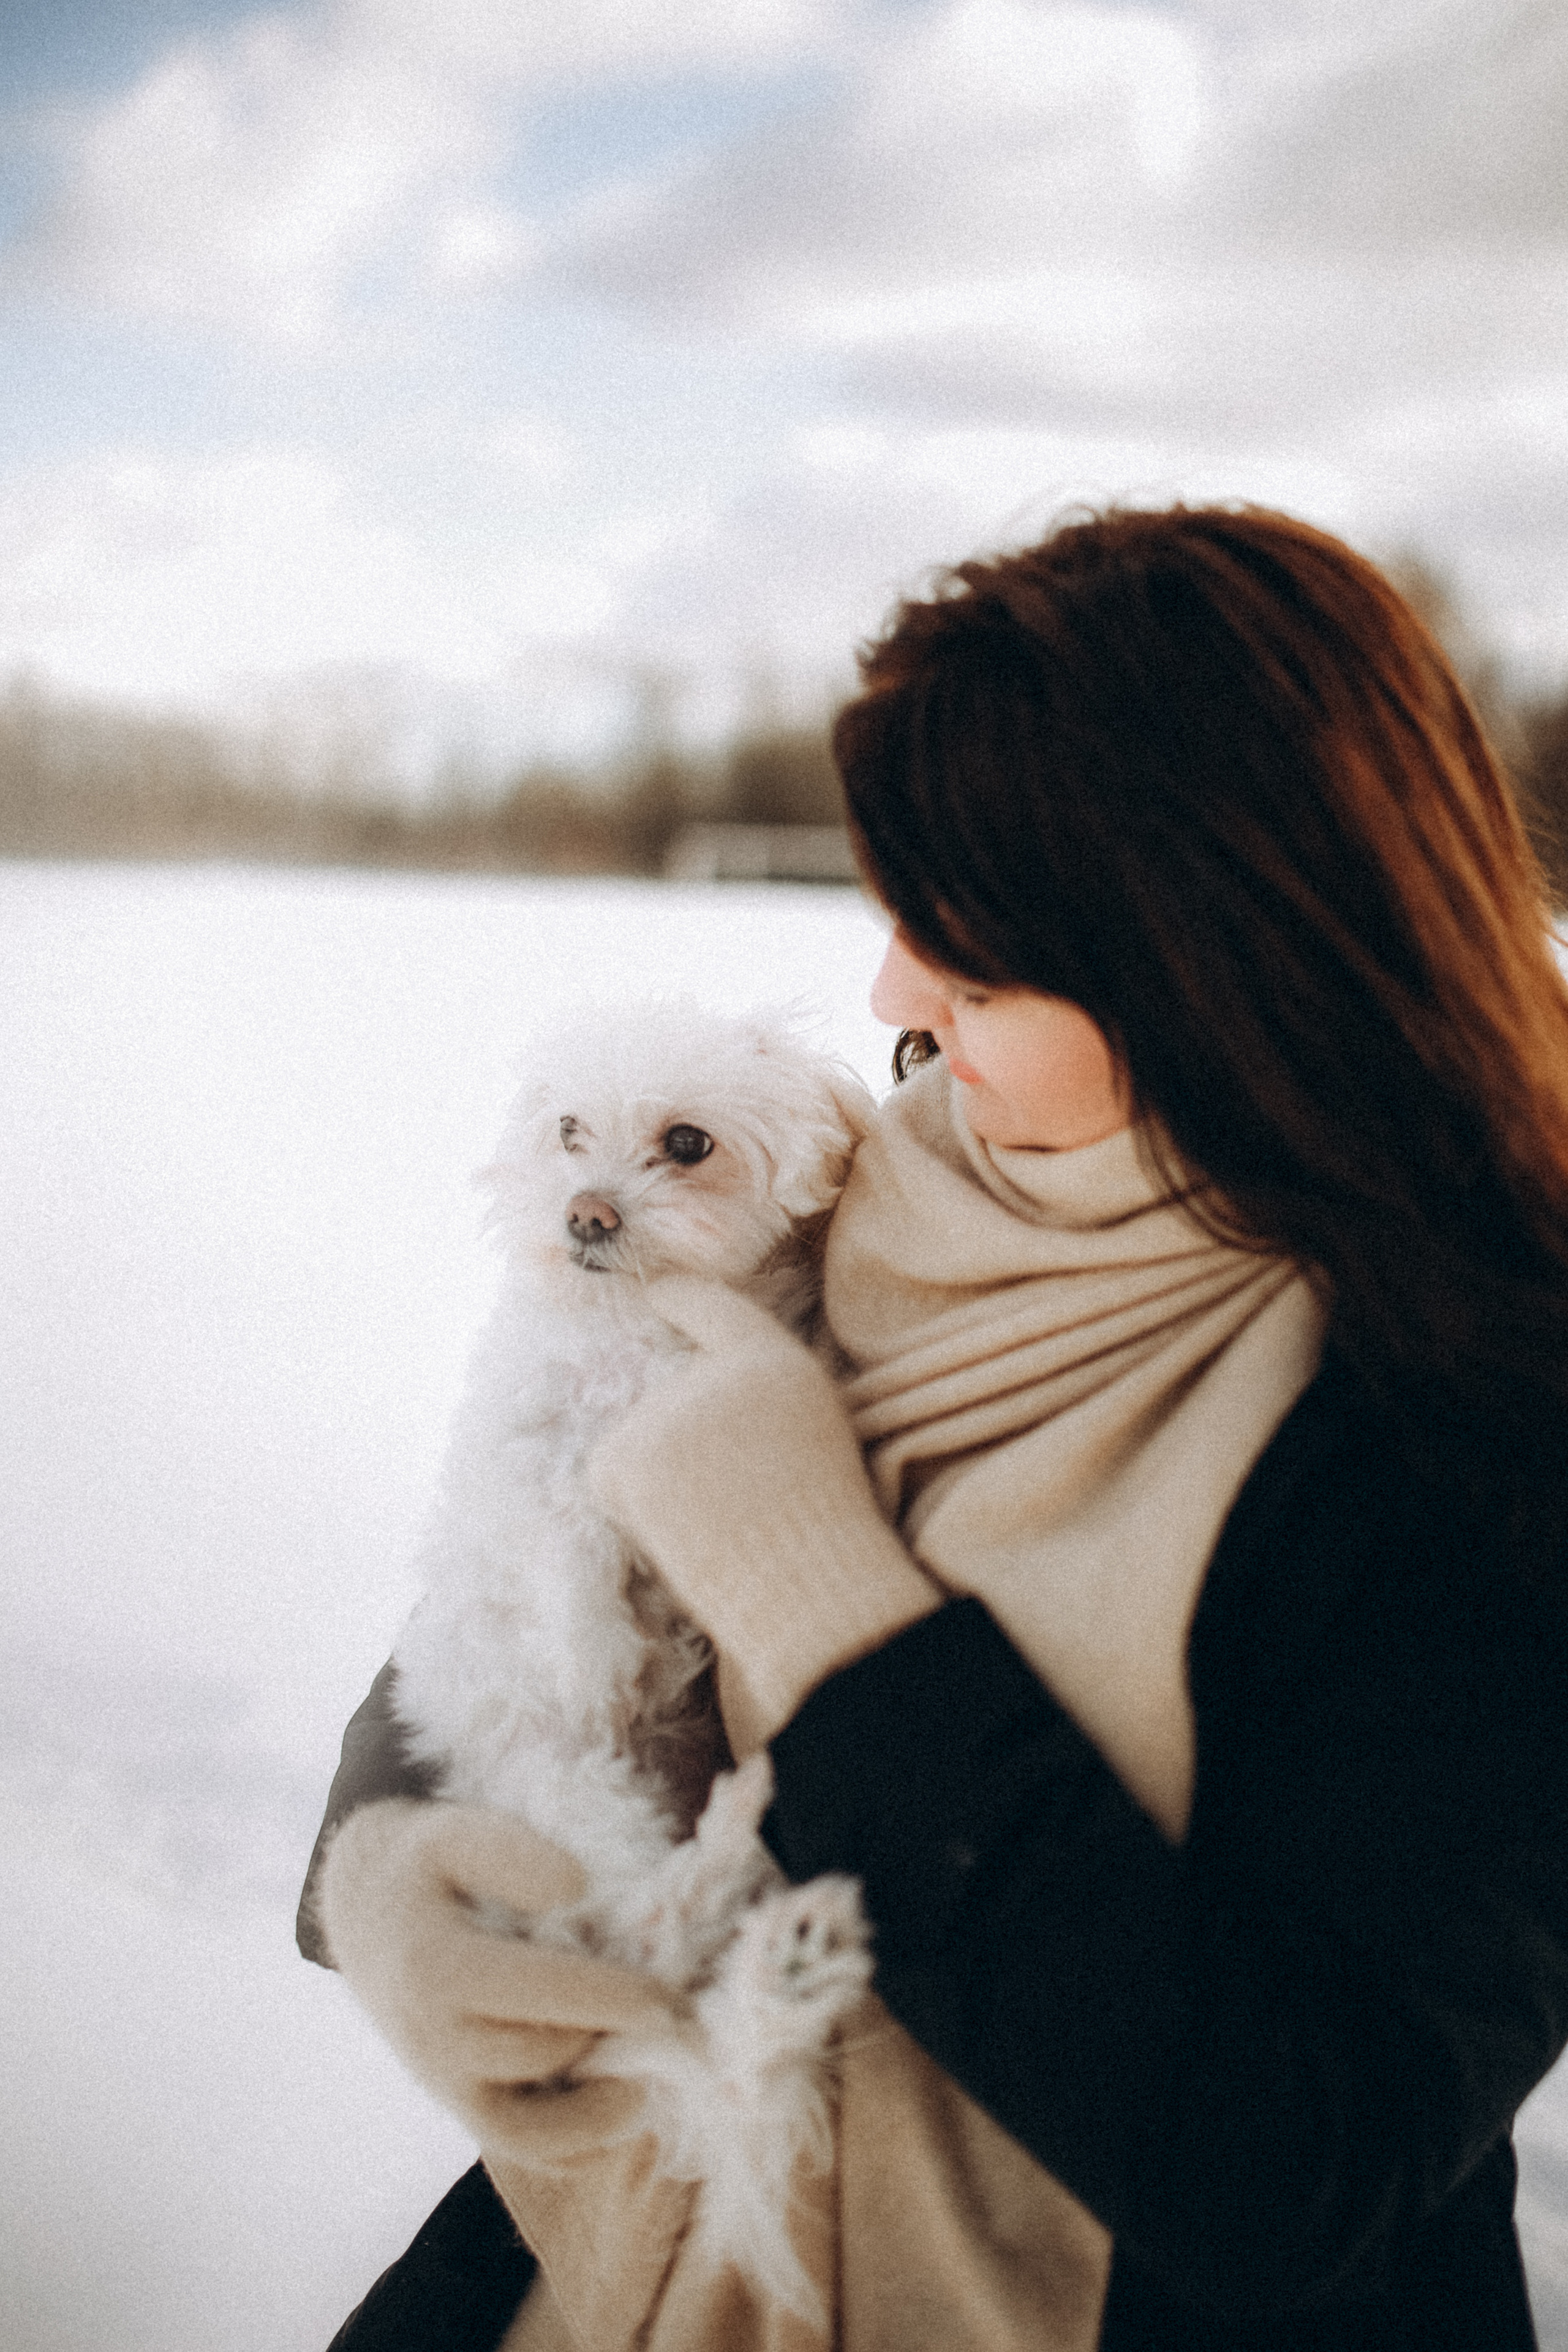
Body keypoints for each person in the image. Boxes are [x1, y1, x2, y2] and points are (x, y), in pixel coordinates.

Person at [303, 504, 1568, 2351]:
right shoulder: (852, 1198)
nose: (895, 1000)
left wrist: (825, 1605)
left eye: (976, 970)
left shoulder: (1481, 1409)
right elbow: (526, 1530)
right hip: (613, 2262)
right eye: (896, 915)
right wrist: (401, 1861)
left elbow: (1301, 2163)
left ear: (1225, 960)